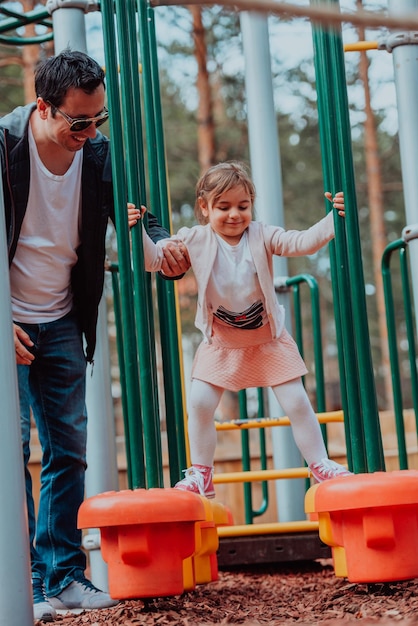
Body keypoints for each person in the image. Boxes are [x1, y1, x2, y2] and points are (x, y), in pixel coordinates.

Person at [0, 49, 189, 622]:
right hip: (7, 317)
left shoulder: (97, 153)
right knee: (14, 452)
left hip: (60, 320)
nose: (88, 131)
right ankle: (23, 584)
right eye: (76, 121)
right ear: (42, 106)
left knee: (69, 453)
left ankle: (63, 576)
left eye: (97, 119)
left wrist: (166, 252)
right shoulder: (5, 147)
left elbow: (136, 216)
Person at [136, 160, 352, 500]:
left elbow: (301, 243)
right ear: (204, 209)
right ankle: (202, 474)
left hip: (268, 338)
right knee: (201, 403)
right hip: (221, 340)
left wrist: (334, 219)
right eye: (223, 207)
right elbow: (155, 261)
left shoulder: (262, 235)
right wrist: (139, 234)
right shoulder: (194, 239)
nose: (234, 214)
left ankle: (320, 464)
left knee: (296, 401)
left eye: (243, 205)